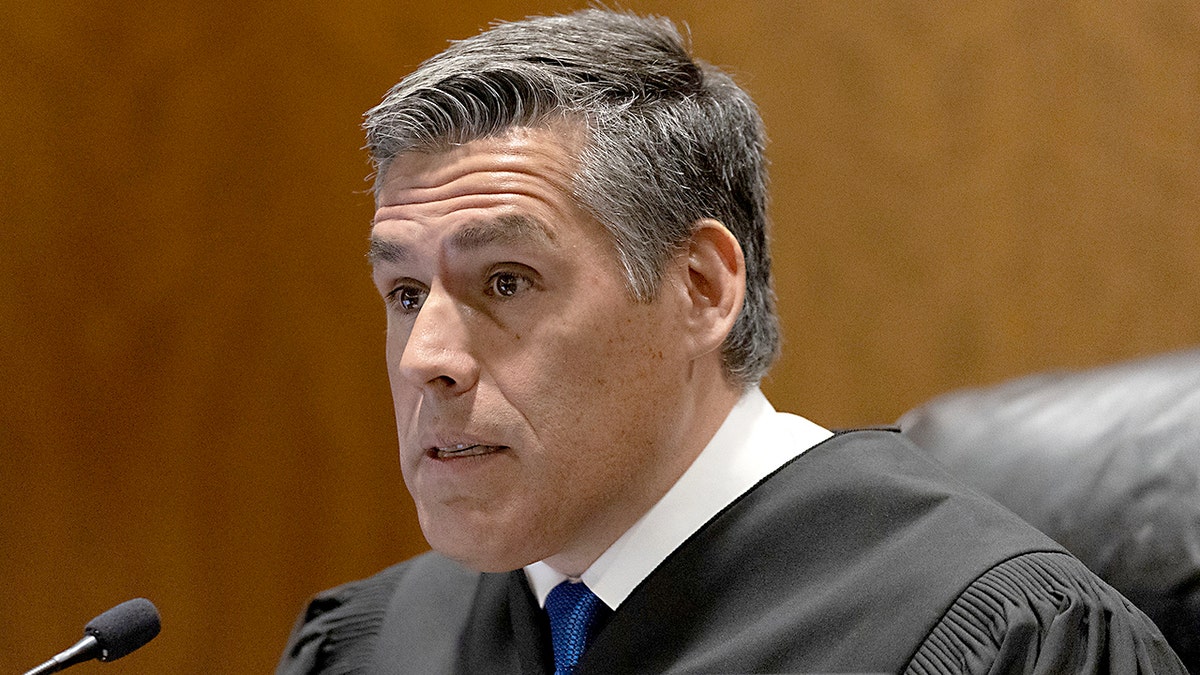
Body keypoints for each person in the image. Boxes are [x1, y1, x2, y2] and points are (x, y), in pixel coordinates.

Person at [278, 9, 1185, 674]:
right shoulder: (375, 642)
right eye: (404, 291)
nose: (422, 355)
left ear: (701, 287)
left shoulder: (991, 636)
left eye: (505, 282)